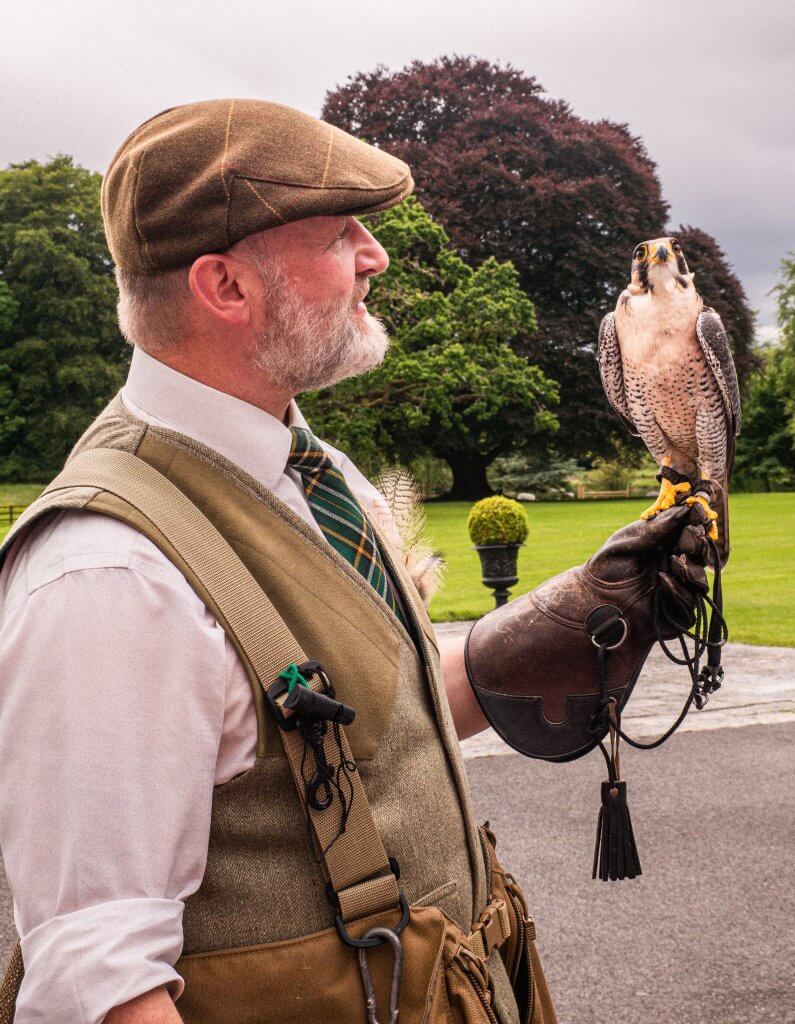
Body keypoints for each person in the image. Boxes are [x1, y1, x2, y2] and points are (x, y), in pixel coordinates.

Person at [0, 99, 709, 1024]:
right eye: (339, 234)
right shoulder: (109, 574)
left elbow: (363, 721)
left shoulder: (312, 469)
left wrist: (583, 614)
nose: (375, 255)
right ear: (225, 287)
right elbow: (97, 980)